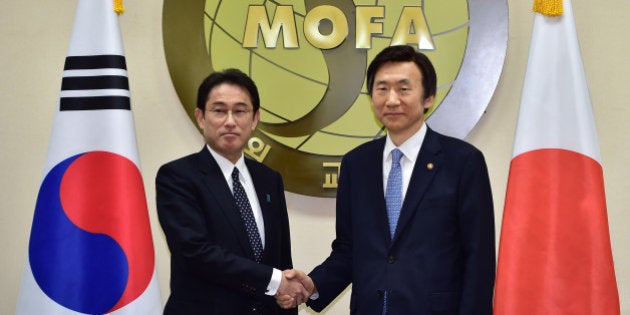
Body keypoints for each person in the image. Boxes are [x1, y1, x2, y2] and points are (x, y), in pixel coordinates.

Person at [279, 45, 496, 314]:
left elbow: (479, 259)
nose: (392, 99)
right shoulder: (356, 164)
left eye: (404, 89)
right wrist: (312, 284)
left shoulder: (462, 162)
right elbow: (349, 249)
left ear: (428, 97)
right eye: (382, 89)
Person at [156, 69, 307, 315]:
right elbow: (195, 252)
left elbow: (281, 260)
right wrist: (275, 279)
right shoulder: (177, 176)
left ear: (255, 119)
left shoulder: (269, 179)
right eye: (218, 110)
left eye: (239, 111)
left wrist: (288, 295)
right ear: (201, 117)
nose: (230, 121)